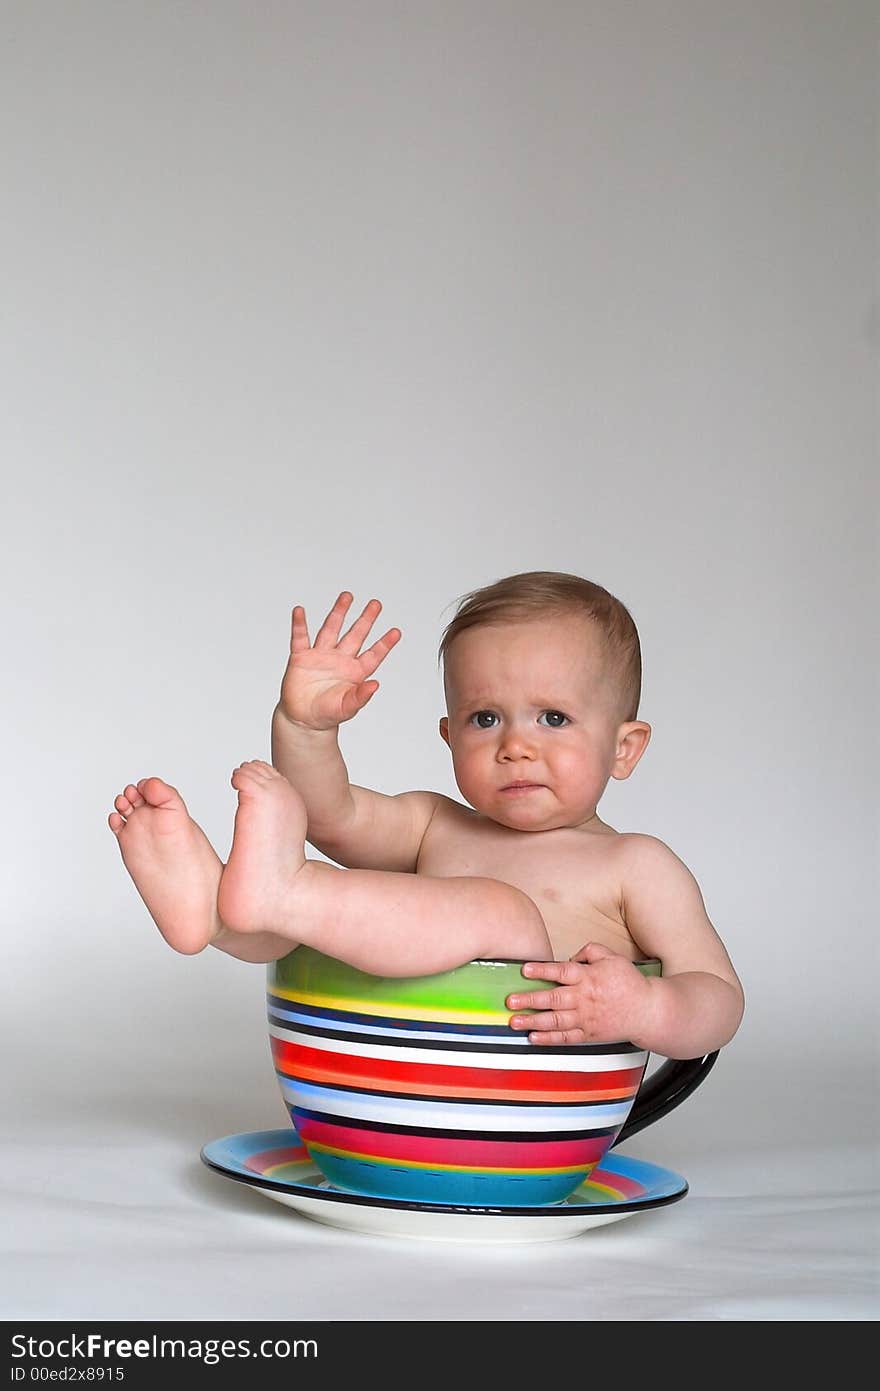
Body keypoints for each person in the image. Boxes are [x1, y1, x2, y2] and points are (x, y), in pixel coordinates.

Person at [109, 571, 744, 1058]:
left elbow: (719, 999)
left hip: (517, 1093)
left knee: (501, 911)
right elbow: (331, 816)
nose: (515, 745)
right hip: (385, 1072)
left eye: (553, 718)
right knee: (350, 916)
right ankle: (218, 913)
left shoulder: (634, 865)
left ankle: (277, 895)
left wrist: (648, 1009)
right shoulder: (436, 825)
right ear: (449, 737)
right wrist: (304, 727)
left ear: (623, 748)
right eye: (484, 718)